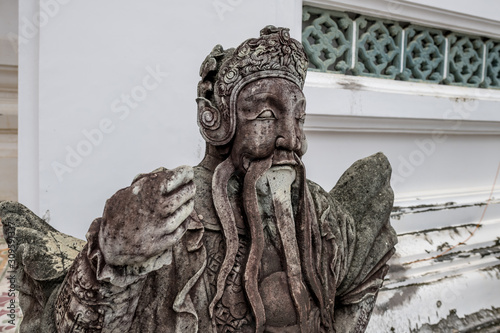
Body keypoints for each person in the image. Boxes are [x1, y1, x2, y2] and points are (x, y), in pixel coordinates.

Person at [1, 26, 397, 333]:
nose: (292, 139)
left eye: (299, 118)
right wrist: (112, 258)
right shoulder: (172, 216)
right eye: (264, 117)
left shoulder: (319, 214)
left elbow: (361, 272)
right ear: (217, 120)